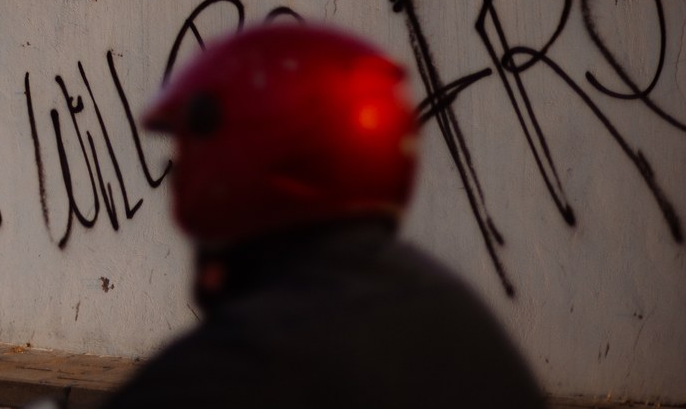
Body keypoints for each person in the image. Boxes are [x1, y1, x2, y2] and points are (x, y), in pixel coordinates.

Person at [108, 24, 543, 409]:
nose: (177, 171)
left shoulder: (235, 367)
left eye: (188, 149)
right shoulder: (455, 313)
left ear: (247, 154)